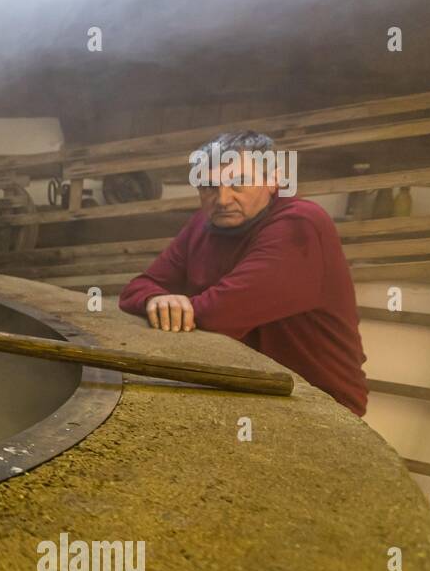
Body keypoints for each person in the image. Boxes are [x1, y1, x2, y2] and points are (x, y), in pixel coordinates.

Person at [118, 131, 368, 415]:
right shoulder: (205, 222)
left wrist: (174, 306)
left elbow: (219, 314)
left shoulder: (300, 223)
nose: (223, 199)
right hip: (248, 391)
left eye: (238, 183)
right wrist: (156, 300)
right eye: (209, 186)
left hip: (318, 404)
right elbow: (138, 288)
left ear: (273, 181)